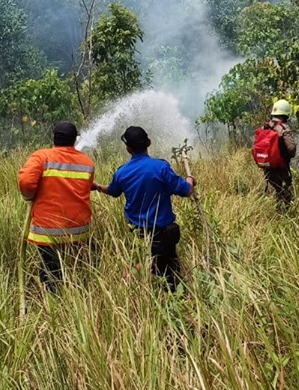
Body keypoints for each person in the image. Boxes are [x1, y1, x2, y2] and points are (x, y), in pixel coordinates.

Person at [93, 126, 195, 291]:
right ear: (149, 142)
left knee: (157, 265)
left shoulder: (122, 173)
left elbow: (113, 191)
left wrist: (97, 186)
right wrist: (190, 179)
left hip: (139, 232)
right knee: (169, 277)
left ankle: (135, 288)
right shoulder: (161, 168)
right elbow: (186, 190)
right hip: (163, 233)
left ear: (128, 148)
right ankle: (126, 283)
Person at [18, 121, 95, 291]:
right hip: (78, 232)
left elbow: (25, 181)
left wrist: (29, 195)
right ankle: (76, 299)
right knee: (76, 270)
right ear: (75, 139)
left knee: (51, 271)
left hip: (48, 232)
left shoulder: (41, 157)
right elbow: (87, 187)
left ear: (54, 138)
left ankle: (54, 304)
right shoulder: (87, 162)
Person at [252, 99, 296, 209]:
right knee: (285, 194)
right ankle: (283, 216)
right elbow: (292, 149)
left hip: (267, 168)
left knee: (274, 191)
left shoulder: (265, 127)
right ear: (286, 114)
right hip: (281, 168)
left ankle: (273, 214)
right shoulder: (283, 128)